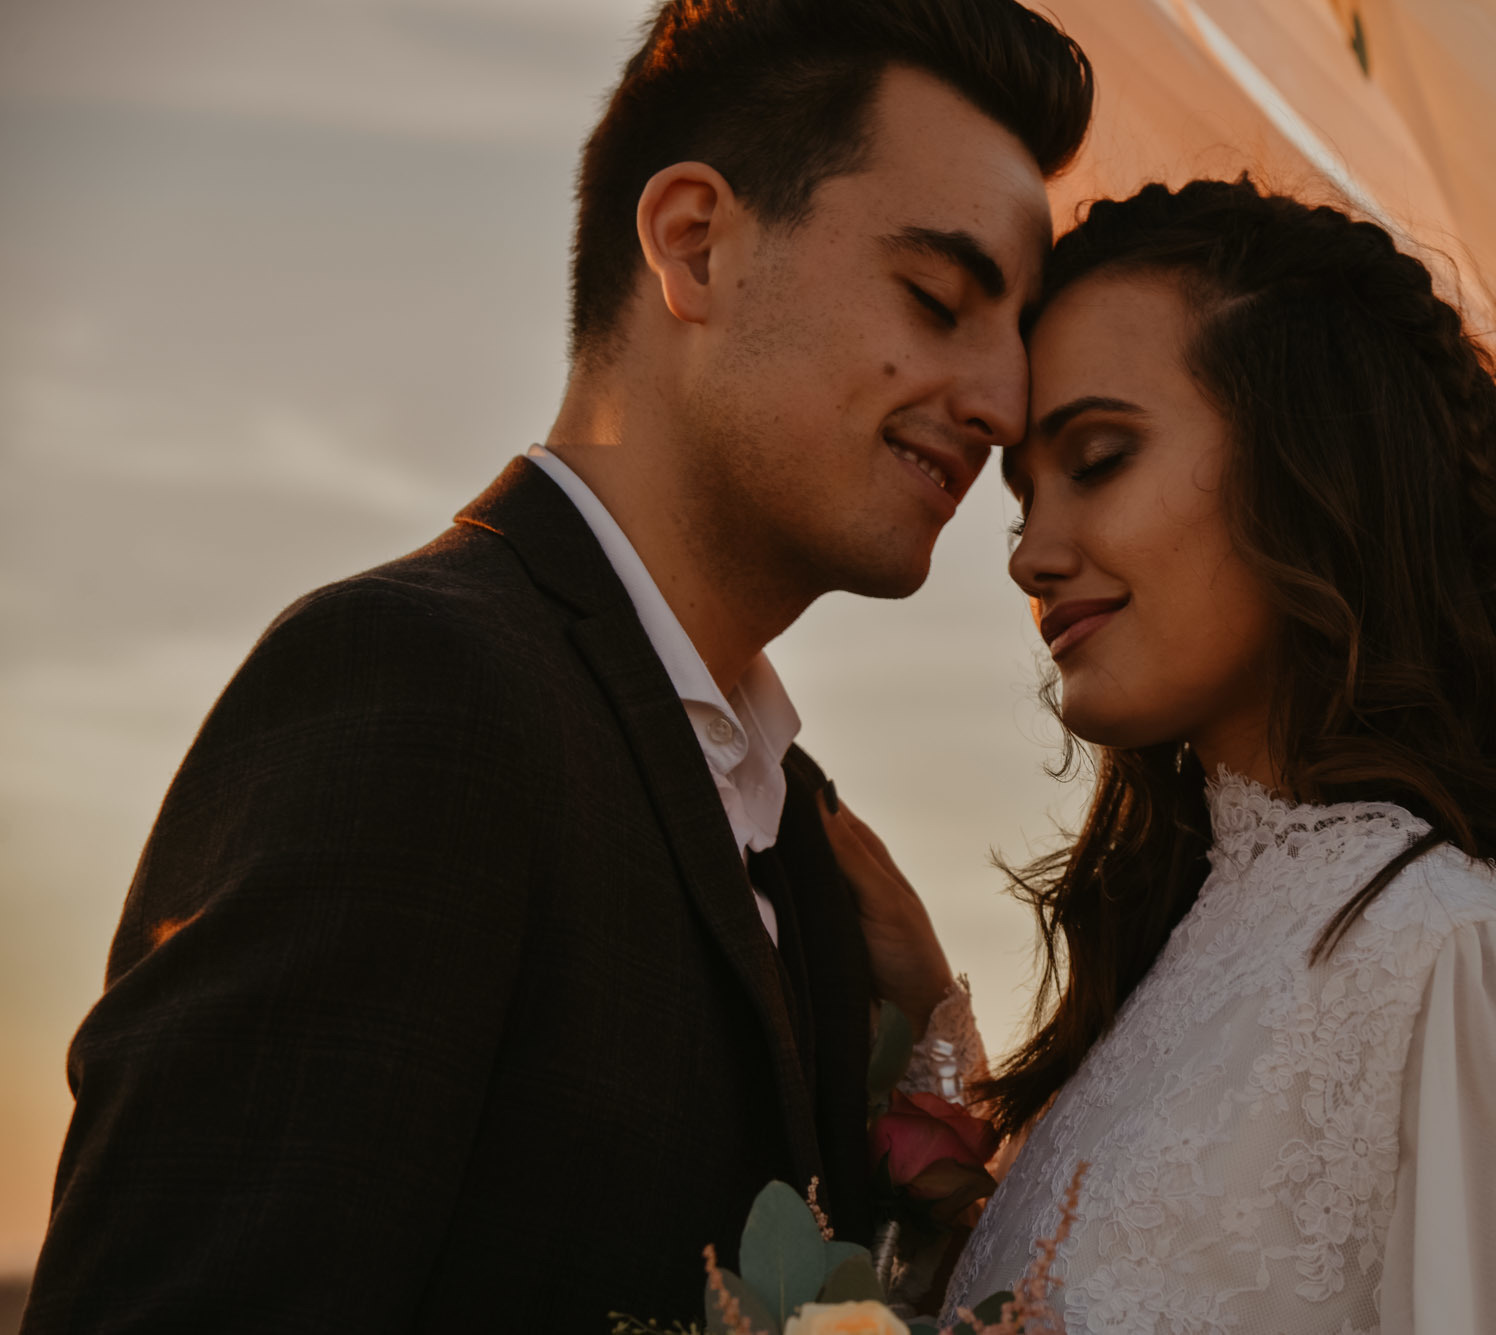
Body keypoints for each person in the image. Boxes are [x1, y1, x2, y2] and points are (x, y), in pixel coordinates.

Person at [21, 3, 1090, 1330]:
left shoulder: (808, 838)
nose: (1003, 401)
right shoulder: (410, 686)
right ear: (693, 242)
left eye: (1018, 332)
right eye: (937, 299)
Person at [824, 178, 1496, 1334]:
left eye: (1098, 458)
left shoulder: (1445, 956)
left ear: (1312, 460)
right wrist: (928, 1039)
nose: (1030, 555)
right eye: (1024, 502)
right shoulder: (1178, 965)